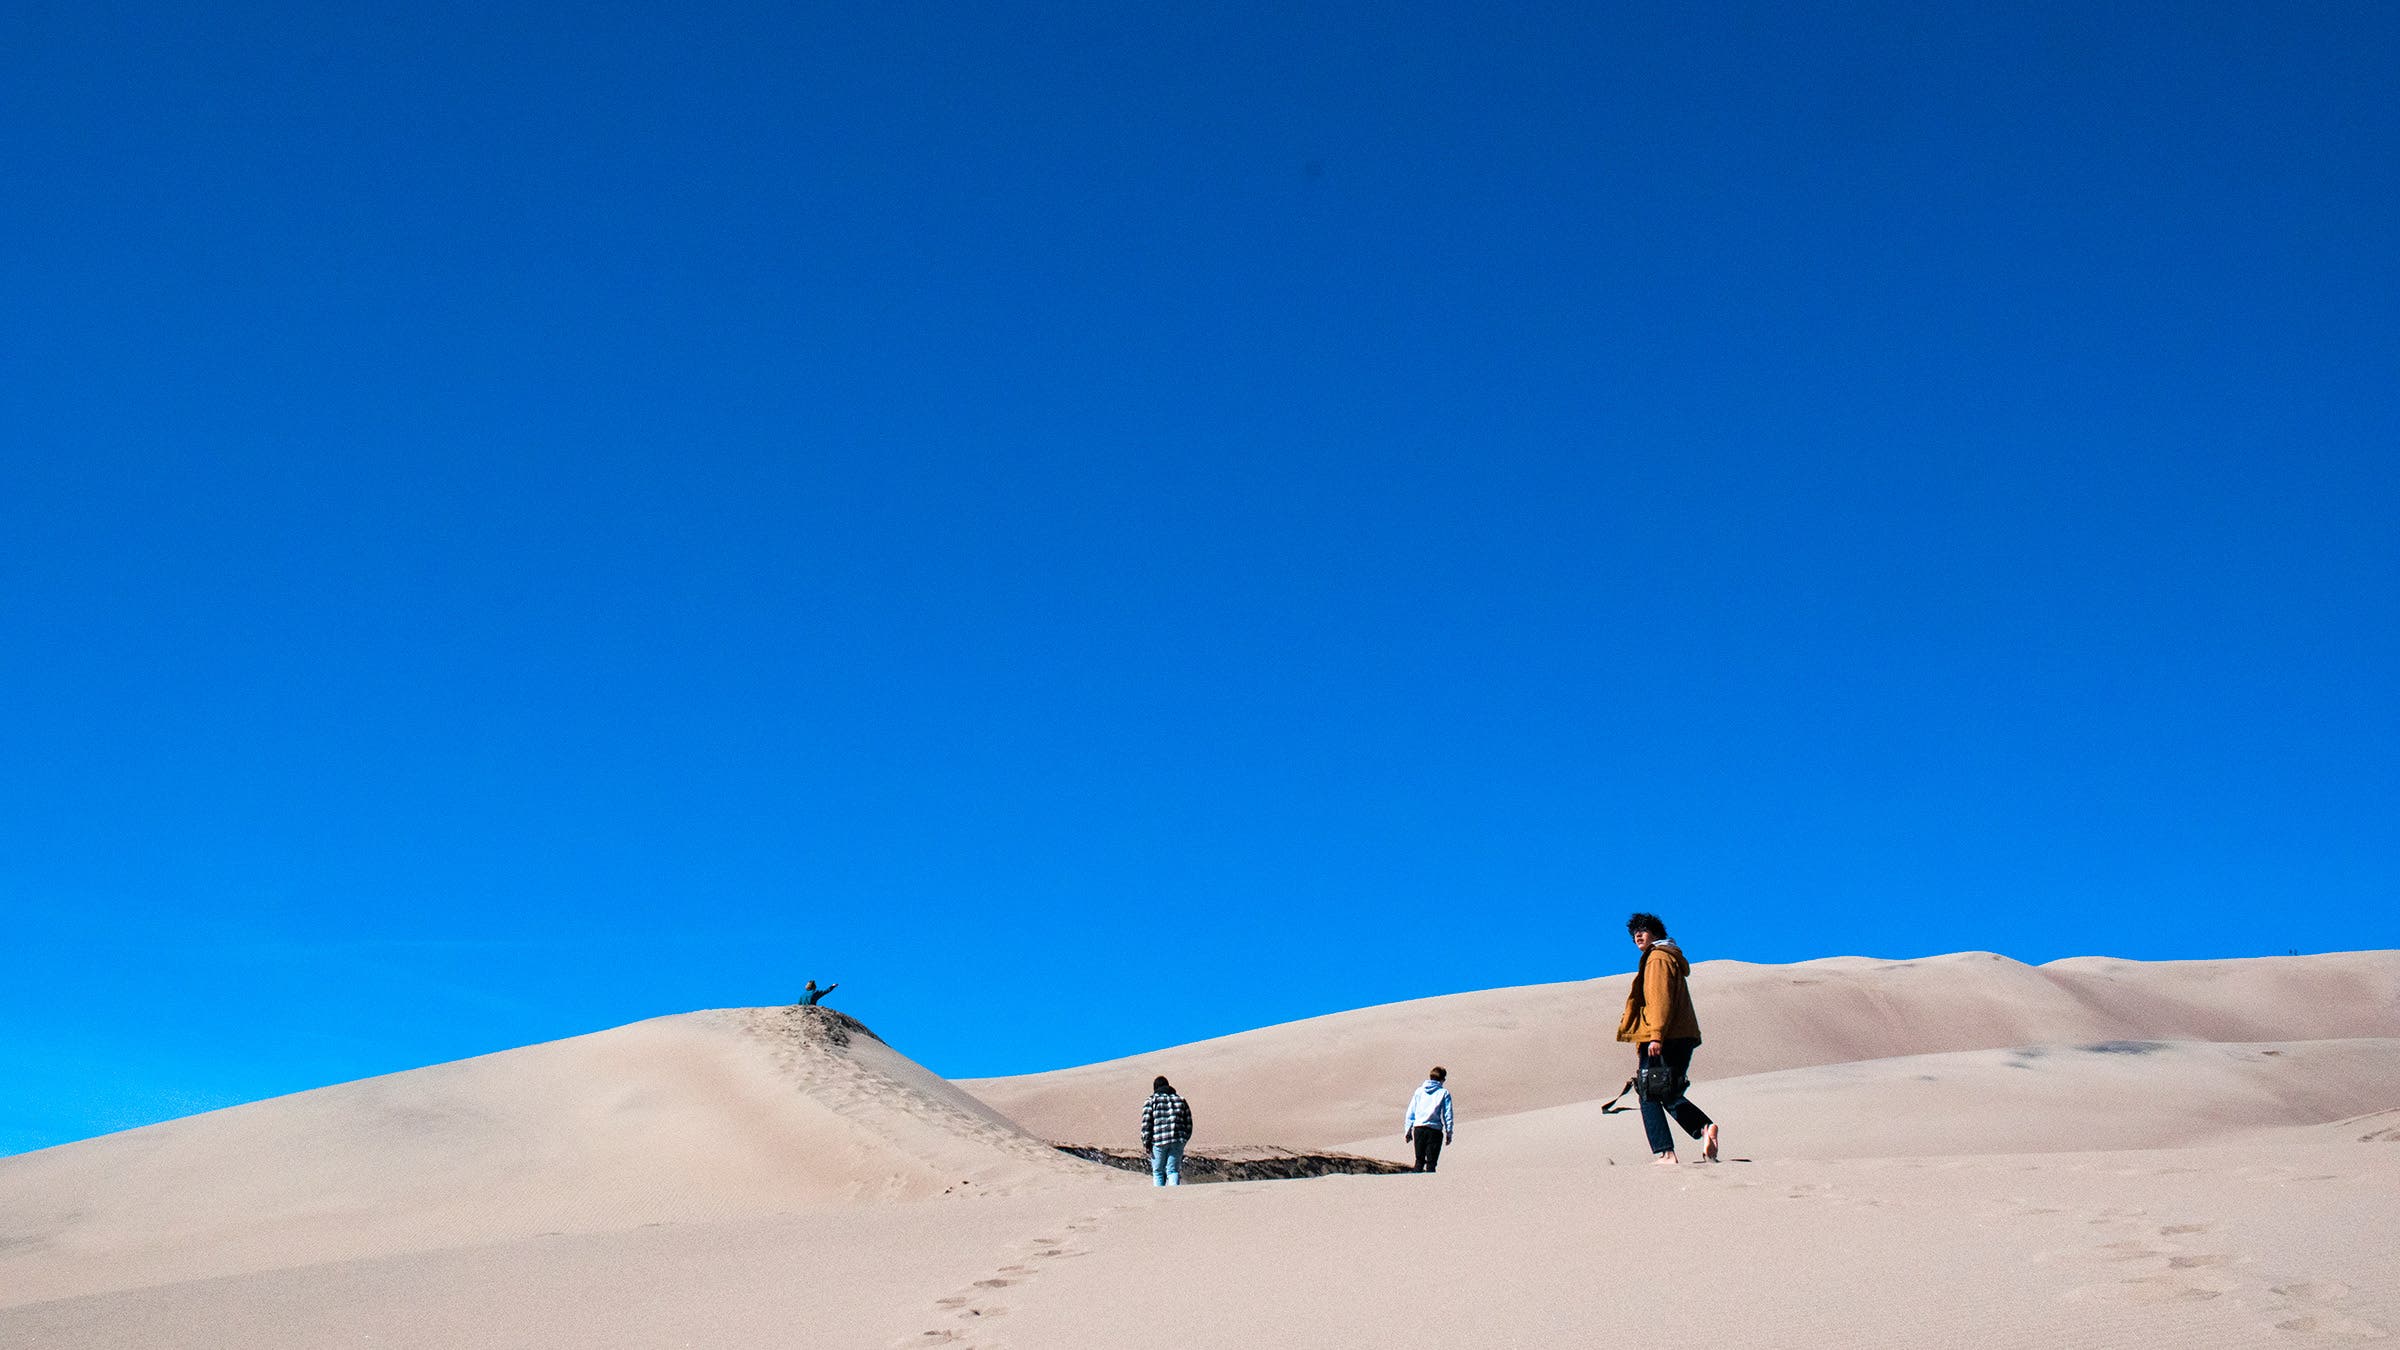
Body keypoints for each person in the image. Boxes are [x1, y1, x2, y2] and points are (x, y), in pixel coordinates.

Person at [1615, 912, 1719, 1165]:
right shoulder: (1669, 958)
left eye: (1643, 929)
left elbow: (1659, 999)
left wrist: (1655, 1036)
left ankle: (1665, 1153)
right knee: (1667, 1091)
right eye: (1634, 933)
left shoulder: (1657, 959)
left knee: (1648, 1092)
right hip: (1682, 1036)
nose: (1638, 935)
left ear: (1656, 933)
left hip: (1665, 1037)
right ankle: (1705, 1128)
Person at [1139, 1076, 1195, 1186]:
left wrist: (1146, 1142)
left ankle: (1160, 1199)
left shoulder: (1151, 1100)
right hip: (1178, 1139)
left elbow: (1146, 1124)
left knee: (1158, 1172)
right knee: (1173, 1171)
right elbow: (1188, 1123)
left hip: (1158, 1141)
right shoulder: (1181, 1100)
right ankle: (1173, 1197)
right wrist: (1183, 1140)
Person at [1402, 1066, 1456, 1173]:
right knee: (1431, 1164)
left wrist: (1408, 1130)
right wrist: (1449, 1132)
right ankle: (1430, 1187)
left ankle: (1416, 1186)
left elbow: (1411, 1111)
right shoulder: (1444, 1093)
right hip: (1434, 1131)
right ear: (1442, 1079)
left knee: (1419, 1161)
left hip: (1419, 1129)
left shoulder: (1419, 1091)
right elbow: (1447, 1114)